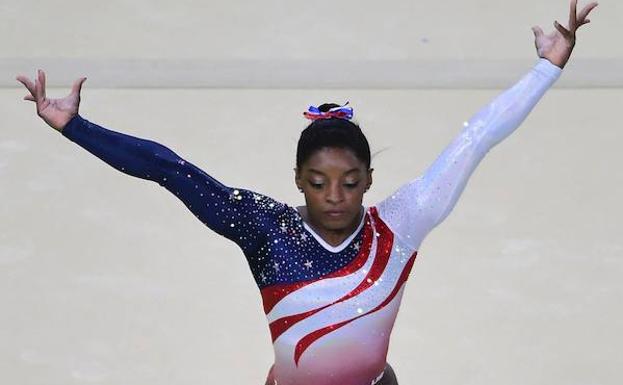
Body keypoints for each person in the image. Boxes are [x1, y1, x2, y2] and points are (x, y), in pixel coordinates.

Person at [16, 1, 597, 384]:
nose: (335, 196)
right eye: (319, 183)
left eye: (349, 182)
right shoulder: (264, 228)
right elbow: (170, 169)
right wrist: (75, 126)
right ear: (298, 181)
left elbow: (476, 139)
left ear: (370, 180)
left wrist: (546, 69)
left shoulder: (403, 222)